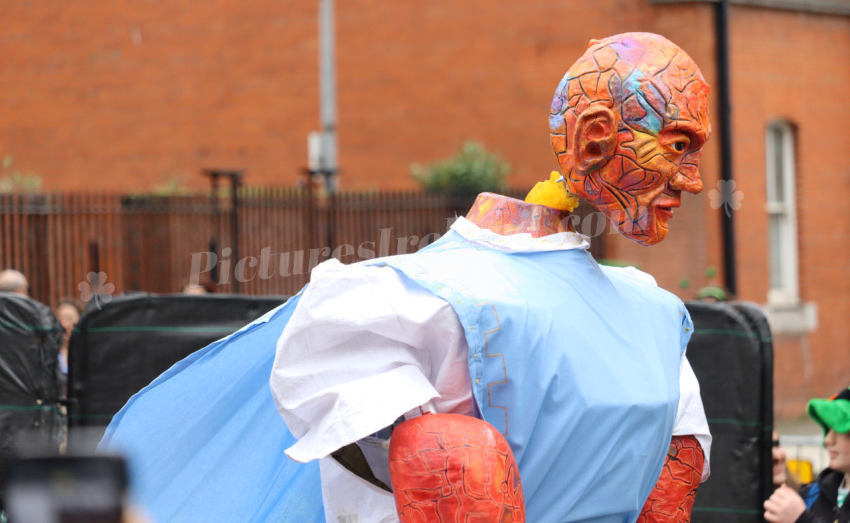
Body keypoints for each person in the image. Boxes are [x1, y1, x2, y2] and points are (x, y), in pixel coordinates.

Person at [101, 32, 711, 522]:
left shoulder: (653, 317)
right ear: (594, 139)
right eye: (677, 145)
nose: (694, 180)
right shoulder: (414, 304)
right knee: (449, 451)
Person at [764, 386, 850, 523]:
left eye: (840, 429)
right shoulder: (812, 494)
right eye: (828, 429)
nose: (828, 440)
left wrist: (802, 519)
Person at [55, 298, 83, 399]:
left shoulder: (87, 352)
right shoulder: (50, 352)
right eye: (60, 319)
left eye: (70, 318)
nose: (64, 324)